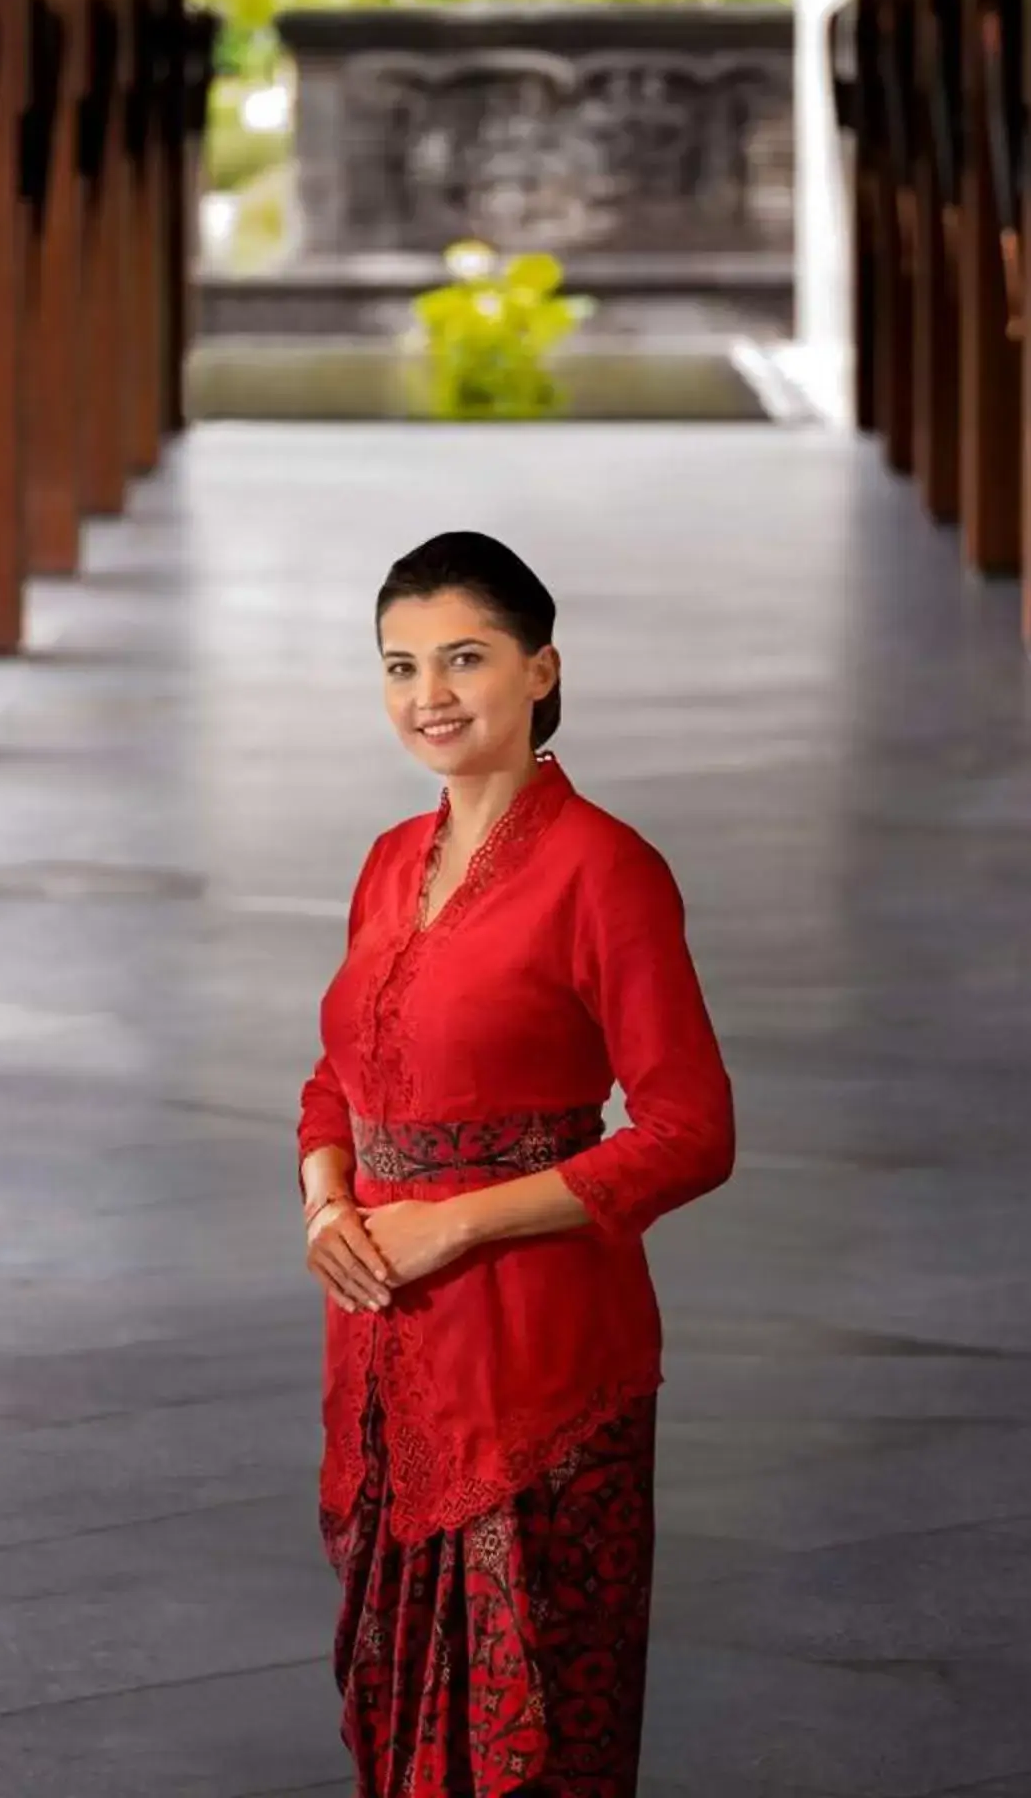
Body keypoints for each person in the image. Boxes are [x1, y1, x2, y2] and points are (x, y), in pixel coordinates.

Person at [297, 529, 735, 1798]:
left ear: (541, 671)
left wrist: (459, 1225)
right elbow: (341, 1074)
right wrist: (326, 1194)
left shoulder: (609, 870)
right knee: (400, 1712)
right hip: (382, 1339)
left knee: (532, 1721)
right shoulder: (390, 860)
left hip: (540, 1353)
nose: (427, 694)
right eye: (399, 665)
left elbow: (690, 1131)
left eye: (465, 658)